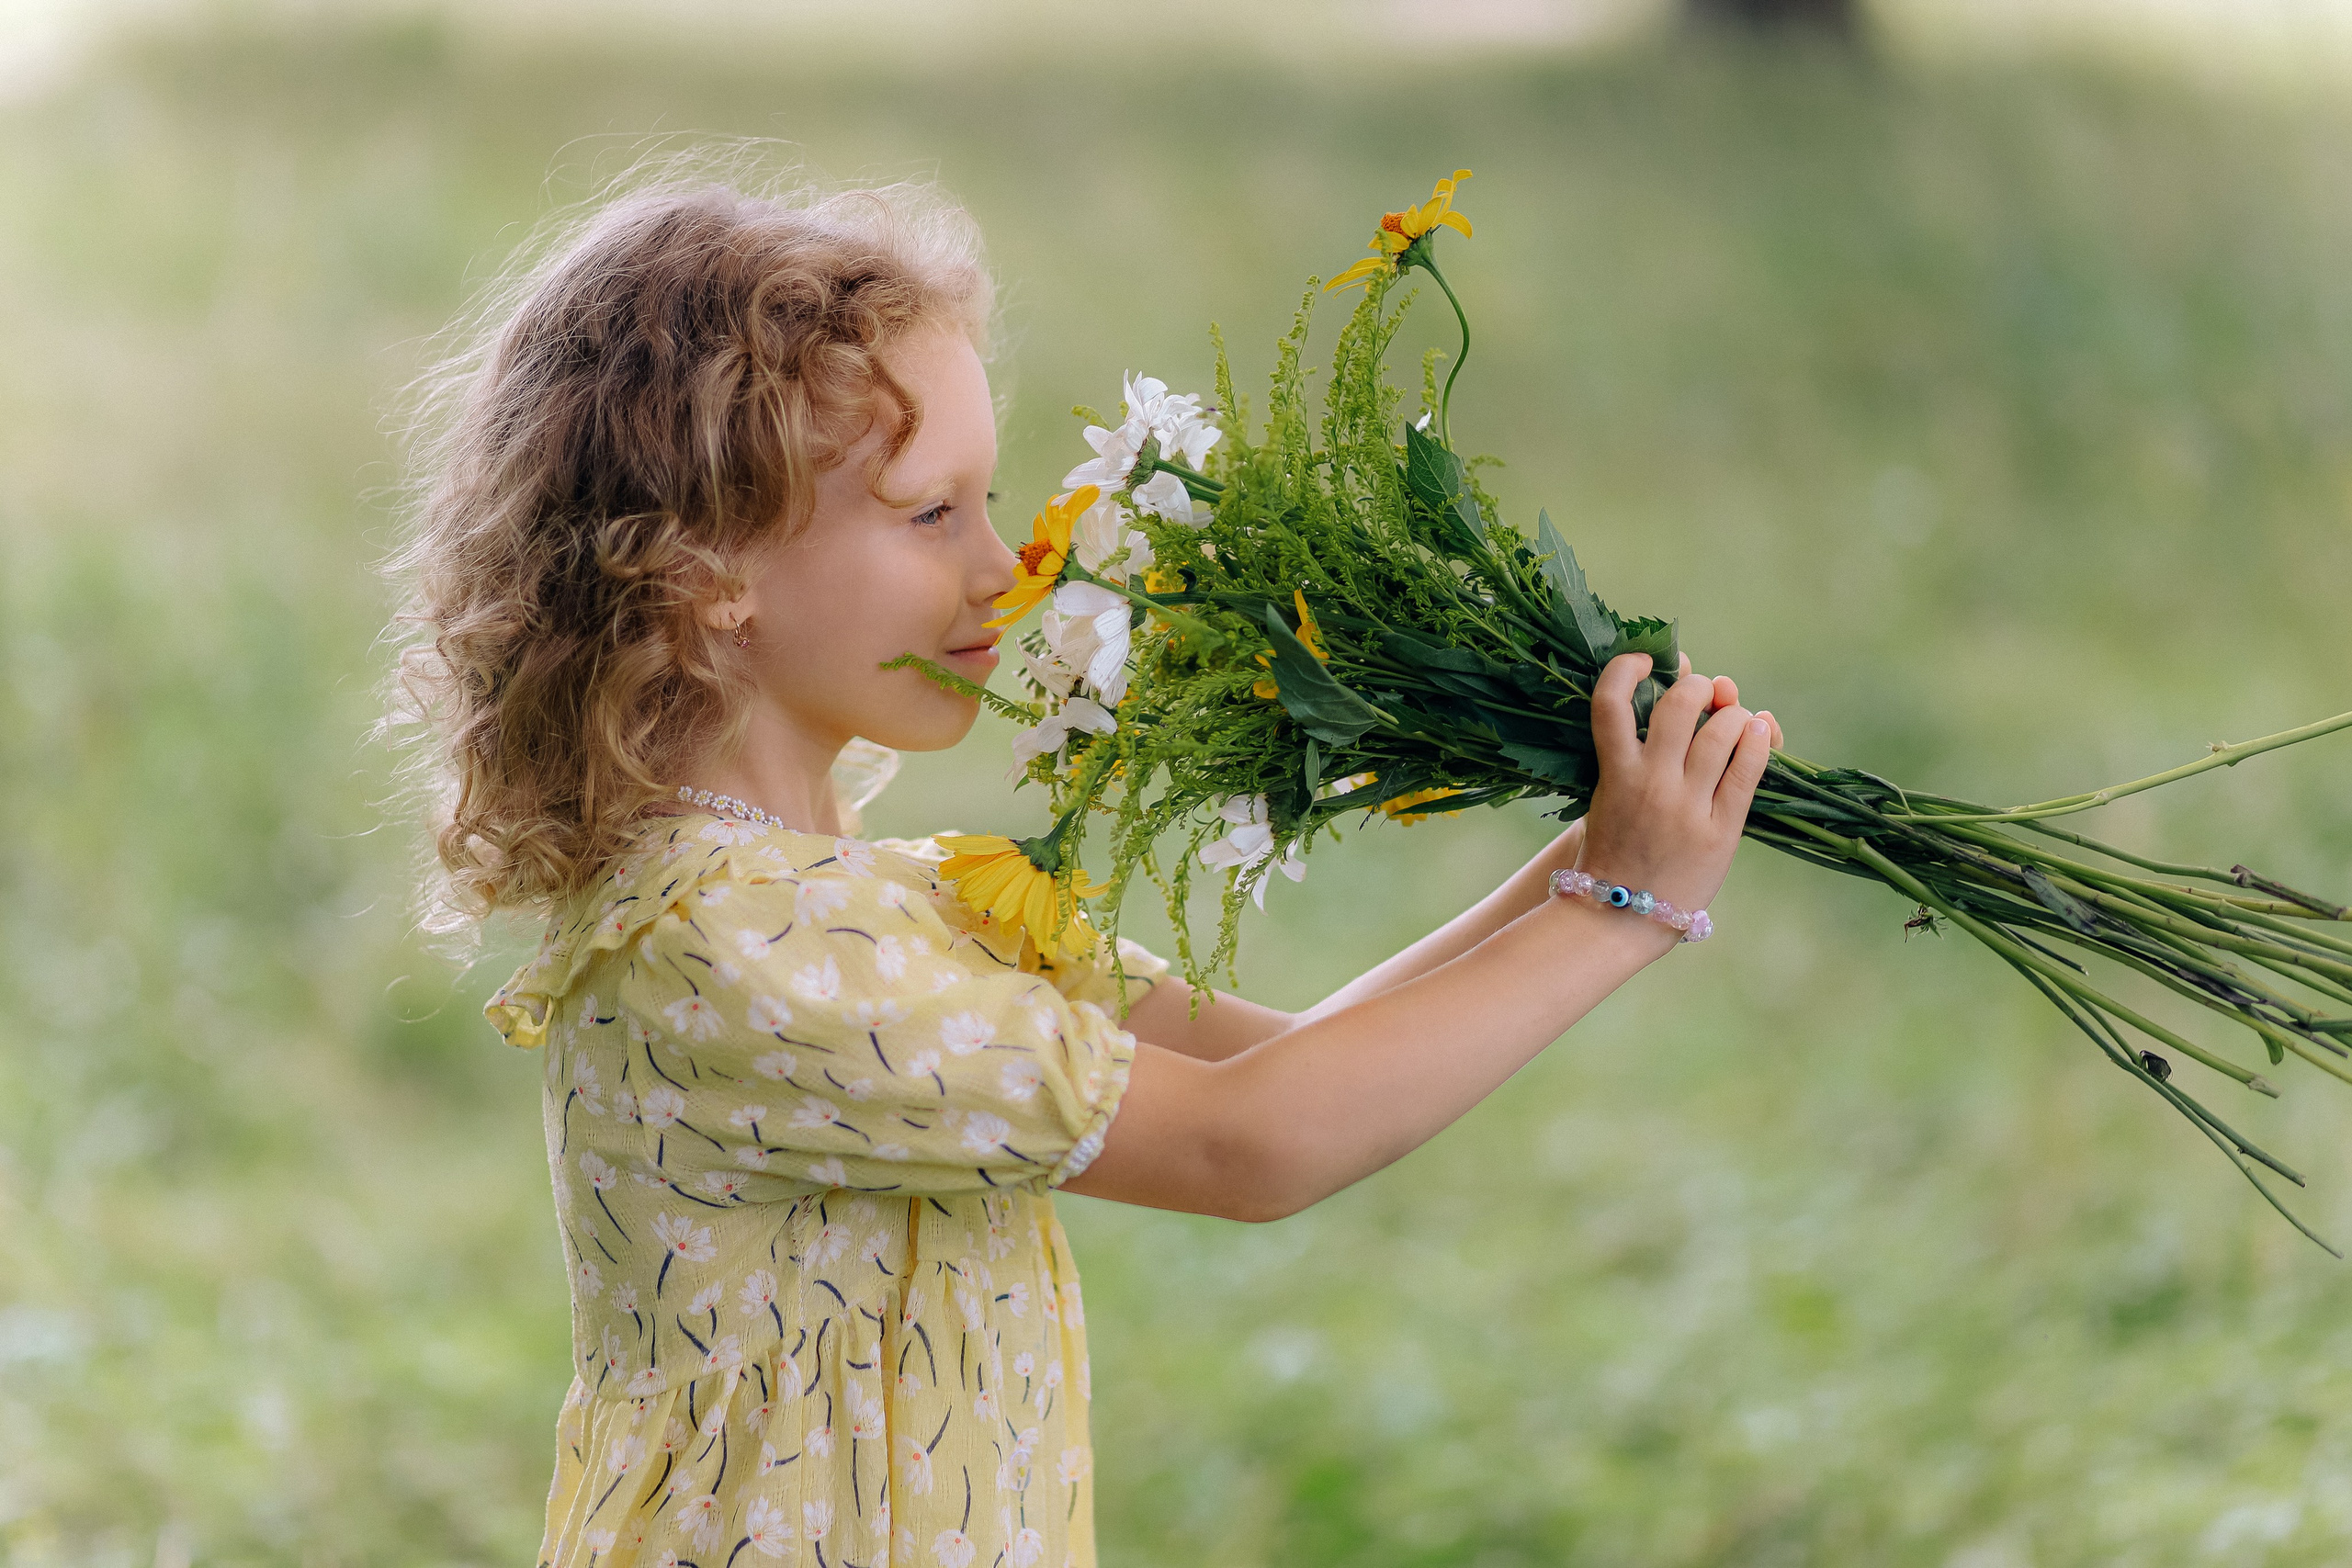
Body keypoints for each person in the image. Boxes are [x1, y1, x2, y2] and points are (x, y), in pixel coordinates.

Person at [383, 171, 1781, 1568]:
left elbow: (1294, 1061)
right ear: (707, 573)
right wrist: (1619, 914)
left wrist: (1596, 859)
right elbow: (1253, 1145)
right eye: (932, 515)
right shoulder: (743, 948)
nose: (1007, 569)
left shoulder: (895, 903)